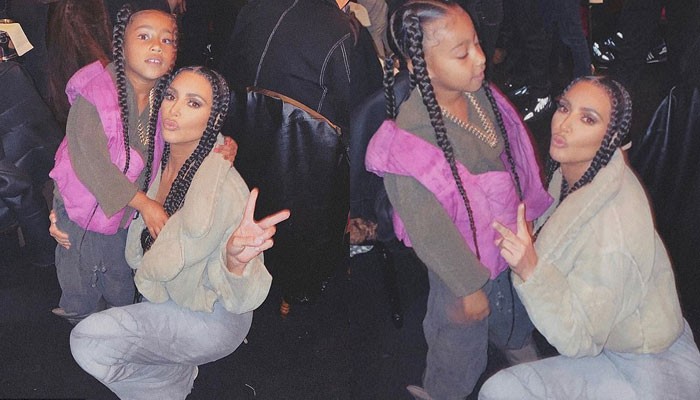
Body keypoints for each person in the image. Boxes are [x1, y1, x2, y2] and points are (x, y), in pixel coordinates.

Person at [363, 1, 553, 398]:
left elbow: (511, 158)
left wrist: (525, 215)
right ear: (421, 66)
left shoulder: (480, 95)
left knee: (512, 316)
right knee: (458, 345)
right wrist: (467, 287)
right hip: (460, 263)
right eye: (462, 53)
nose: (481, 58)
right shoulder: (409, 144)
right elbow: (429, 230)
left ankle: (519, 350)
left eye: (477, 43)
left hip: (505, 246)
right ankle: (442, 391)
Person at [69, 66, 290, 400]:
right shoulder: (155, 158)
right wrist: (63, 216)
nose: (174, 110)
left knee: (87, 341)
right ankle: (171, 376)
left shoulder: (223, 189)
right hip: (167, 294)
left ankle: (164, 383)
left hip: (211, 315)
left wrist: (235, 261)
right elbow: (93, 171)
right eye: (171, 96)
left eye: (193, 103)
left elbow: (242, 298)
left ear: (213, 118)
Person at [481, 76, 700, 399]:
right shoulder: (579, 172)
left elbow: (579, 339)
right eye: (564, 108)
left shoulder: (613, 234)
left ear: (610, 138)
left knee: (501, 392)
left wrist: (530, 269)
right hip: (614, 337)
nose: (564, 124)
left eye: (588, 119)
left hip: (646, 362)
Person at [48, 4, 234, 323]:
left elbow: (187, 123)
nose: (156, 46)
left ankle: (119, 323)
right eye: (144, 36)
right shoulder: (95, 95)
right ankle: (79, 320)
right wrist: (145, 205)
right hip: (81, 209)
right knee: (81, 280)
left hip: (123, 211)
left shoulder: (162, 95)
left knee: (119, 279)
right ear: (121, 45)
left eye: (167, 40)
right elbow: (91, 163)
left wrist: (220, 142)